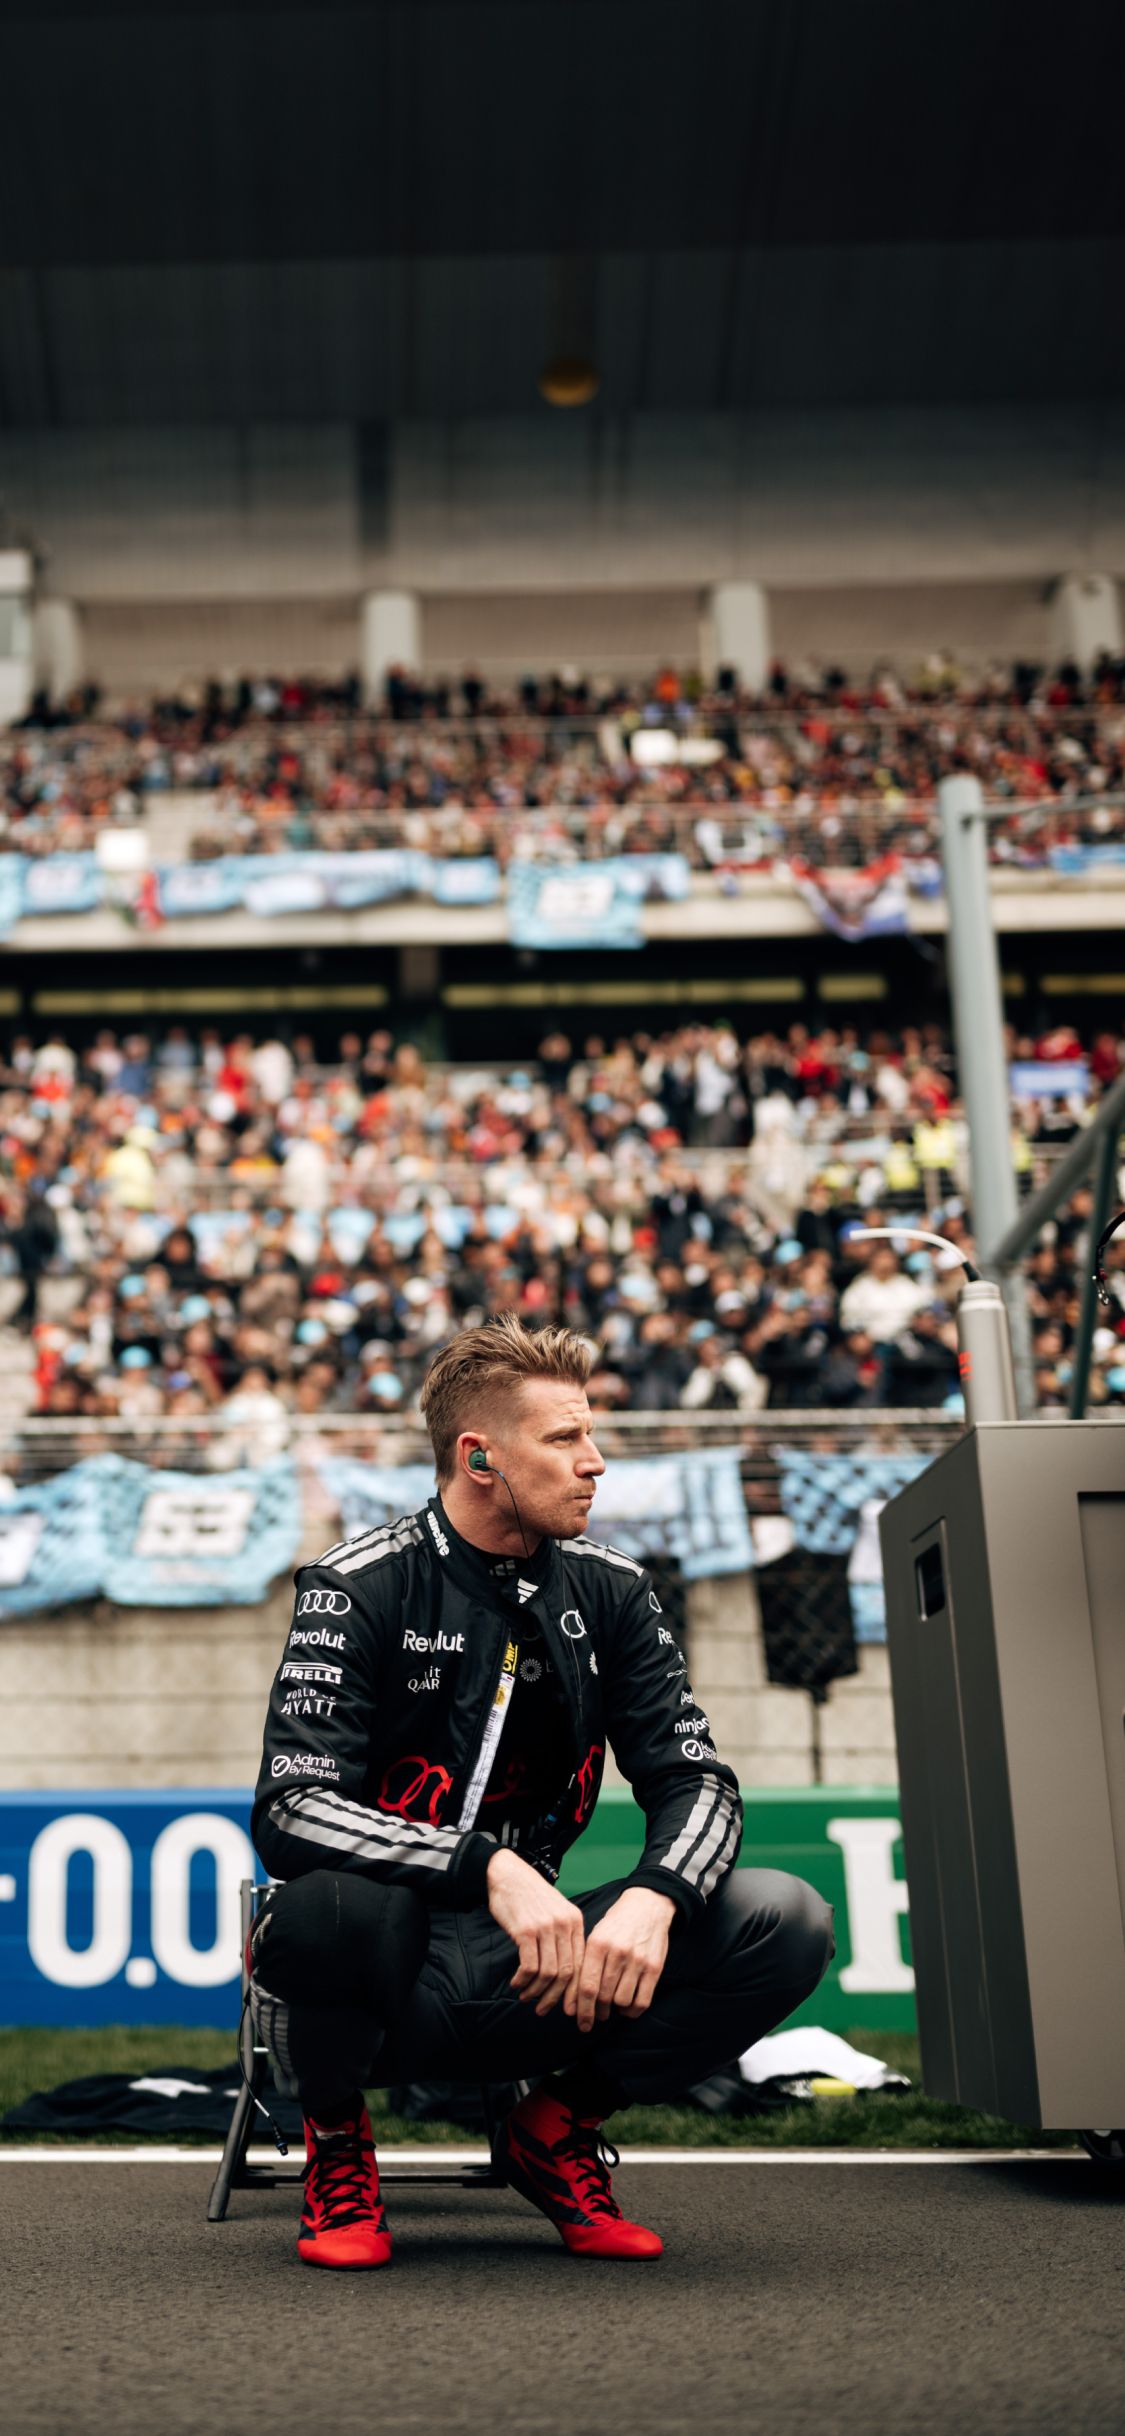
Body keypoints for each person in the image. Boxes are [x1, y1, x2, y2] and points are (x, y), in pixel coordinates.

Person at [248, 1316, 834, 2271]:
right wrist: (486, 1867)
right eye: (565, 1439)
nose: (594, 1461)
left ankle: (556, 2126)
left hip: (543, 1968)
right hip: (388, 1977)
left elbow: (696, 1780)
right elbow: (291, 1806)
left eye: (589, 1434)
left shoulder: (614, 1590)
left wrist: (657, 1895)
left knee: (784, 1916)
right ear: (480, 1457)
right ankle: (339, 2142)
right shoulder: (356, 1586)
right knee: (329, 1910)